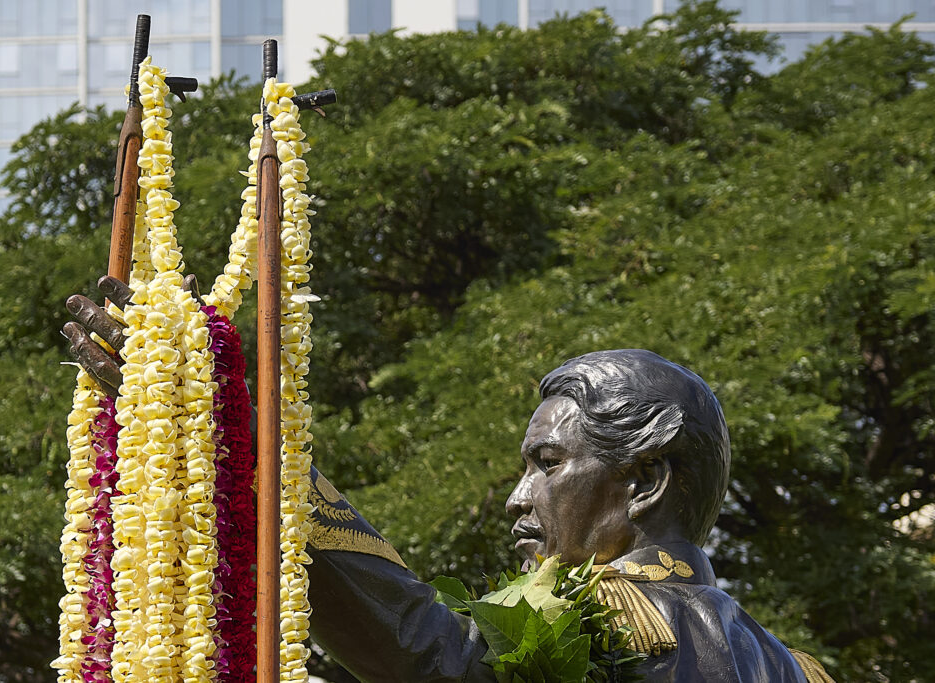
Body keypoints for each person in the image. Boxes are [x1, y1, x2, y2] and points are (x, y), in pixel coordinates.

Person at [64, 280, 833, 682]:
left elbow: (432, 655)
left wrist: (235, 433)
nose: (517, 496)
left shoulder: (614, 626)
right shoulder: (793, 668)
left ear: (645, 480)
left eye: (548, 463)